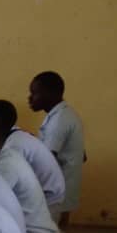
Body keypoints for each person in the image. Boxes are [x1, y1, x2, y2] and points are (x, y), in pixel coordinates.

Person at [0, 100, 65, 207]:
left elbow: (2, 188)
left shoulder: (14, 145)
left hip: (48, 198)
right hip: (43, 193)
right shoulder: (13, 135)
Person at [29, 71, 84, 224]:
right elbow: (83, 155)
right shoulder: (61, 114)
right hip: (64, 183)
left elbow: (47, 158)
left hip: (58, 186)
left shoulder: (59, 119)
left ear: (50, 94)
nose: (30, 98)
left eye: (34, 93)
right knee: (57, 231)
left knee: (53, 232)